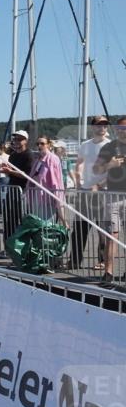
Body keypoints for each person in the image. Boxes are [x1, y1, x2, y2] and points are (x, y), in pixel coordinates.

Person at [70, 116, 111, 271]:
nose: (102, 127)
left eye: (105, 124)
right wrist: (78, 181)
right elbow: (79, 163)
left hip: (103, 192)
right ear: (92, 127)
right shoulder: (85, 145)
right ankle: (74, 260)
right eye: (99, 124)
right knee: (79, 227)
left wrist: (99, 185)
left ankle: (102, 260)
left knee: (102, 229)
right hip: (85, 191)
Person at [93, 117, 126, 288]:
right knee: (112, 236)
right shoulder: (109, 147)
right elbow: (96, 168)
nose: (122, 130)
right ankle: (109, 272)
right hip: (113, 196)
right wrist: (110, 165)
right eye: (120, 128)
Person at [0, 130, 33, 246]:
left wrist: (10, 171)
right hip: (11, 190)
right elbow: (12, 174)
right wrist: (7, 170)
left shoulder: (29, 155)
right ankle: (8, 246)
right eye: (15, 139)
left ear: (26, 141)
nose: (16, 141)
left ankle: (22, 246)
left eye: (19, 139)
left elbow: (27, 175)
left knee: (21, 220)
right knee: (8, 220)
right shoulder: (12, 156)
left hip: (23, 191)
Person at [25, 136, 64, 223]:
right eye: (37, 144)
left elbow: (56, 181)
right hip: (36, 197)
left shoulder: (53, 159)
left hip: (48, 199)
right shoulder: (38, 159)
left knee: (47, 226)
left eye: (42, 143)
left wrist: (57, 199)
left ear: (49, 145)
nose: (39, 146)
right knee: (38, 225)